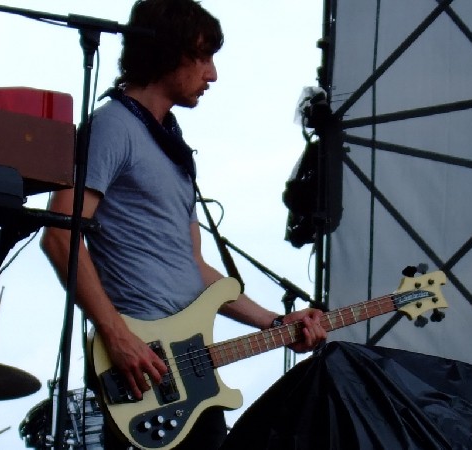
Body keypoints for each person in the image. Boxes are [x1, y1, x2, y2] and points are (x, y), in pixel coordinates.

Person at [41, 1, 327, 448]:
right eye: (204, 57)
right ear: (169, 53)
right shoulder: (113, 126)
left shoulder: (175, 149)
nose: (212, 75)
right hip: (140, 363)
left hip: (190, 365)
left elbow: (194, 267)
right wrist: (116, 335)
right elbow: (60, 234)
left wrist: (275, 323)